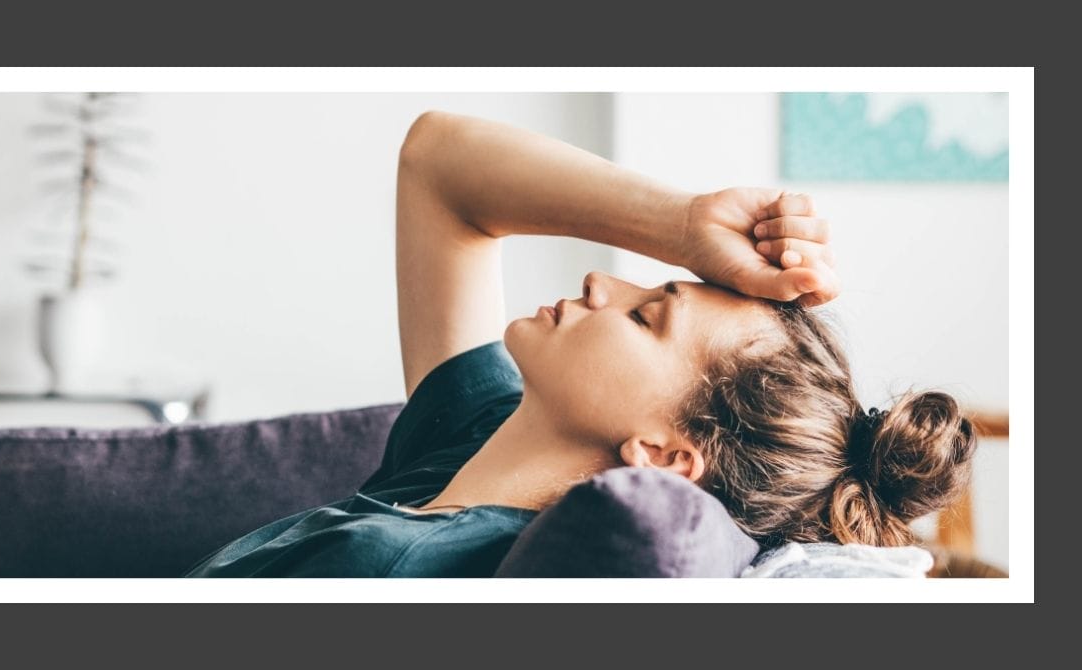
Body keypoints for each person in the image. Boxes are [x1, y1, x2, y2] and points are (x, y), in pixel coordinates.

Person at [182, 111, 976, 578]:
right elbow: (438, 162)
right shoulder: (472, 439)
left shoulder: (399, 566)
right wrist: (685, 225)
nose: (604, 283)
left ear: (665, 454)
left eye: (645, 317)